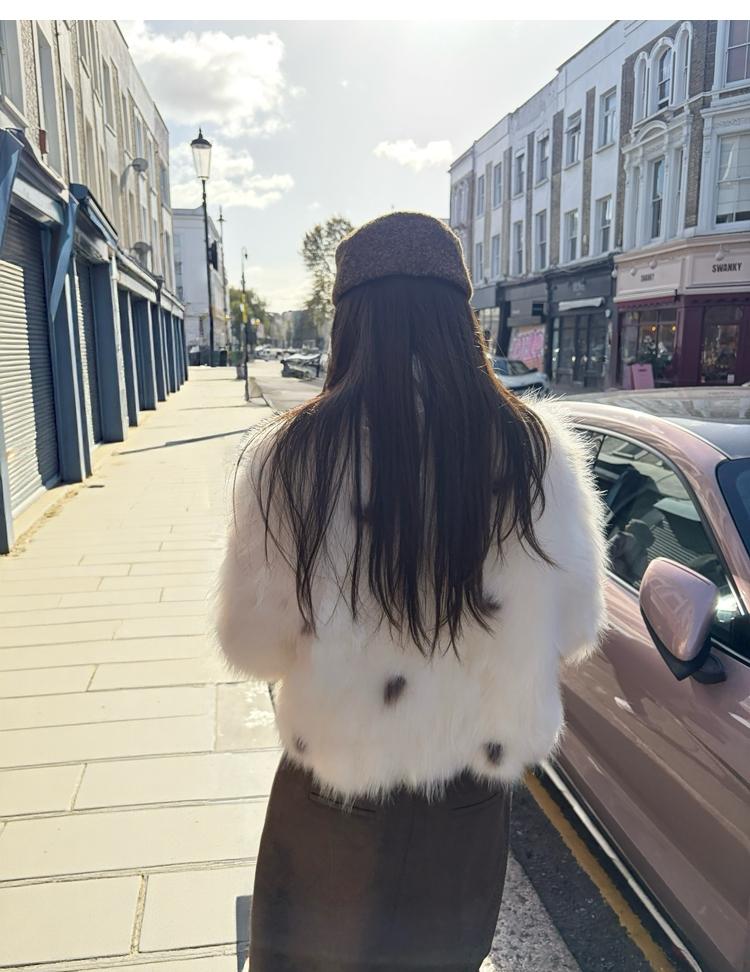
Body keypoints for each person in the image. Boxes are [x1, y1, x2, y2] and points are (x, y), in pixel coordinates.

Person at [213, 211, 607, 972]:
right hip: (464, 800)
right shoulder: (536, 454)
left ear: (347, 323)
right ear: (464, 321)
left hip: (333, 797)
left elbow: (251, 644)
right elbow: (575, 628)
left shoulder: (291, 458)